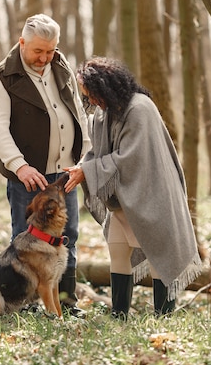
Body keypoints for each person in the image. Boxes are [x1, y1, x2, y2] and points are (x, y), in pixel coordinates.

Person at [64, 56, 202, 320]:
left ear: (106, 86)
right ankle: (120, 316)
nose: (91, 101)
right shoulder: (101, 115)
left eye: (92, 94)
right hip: (122, 199)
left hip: (154, 195)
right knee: (117, 250)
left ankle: (164, 318)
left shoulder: (140, 108)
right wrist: (83, 167)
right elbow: (96, 152)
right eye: (86, 96)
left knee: (160, 255)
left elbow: (131, 157)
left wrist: (89, 171)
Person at [0, 14, 91, 317]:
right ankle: (28, 306)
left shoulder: (60, 65)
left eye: (50, 50)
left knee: (68, 236)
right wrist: (19, 166)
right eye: (37, 51)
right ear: (22, 43)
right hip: (28, 178)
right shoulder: (0, 79)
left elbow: (77, 112)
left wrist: (85, 157)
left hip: (65, 172)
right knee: (27, 239)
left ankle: (67, 304)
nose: (44, 58)